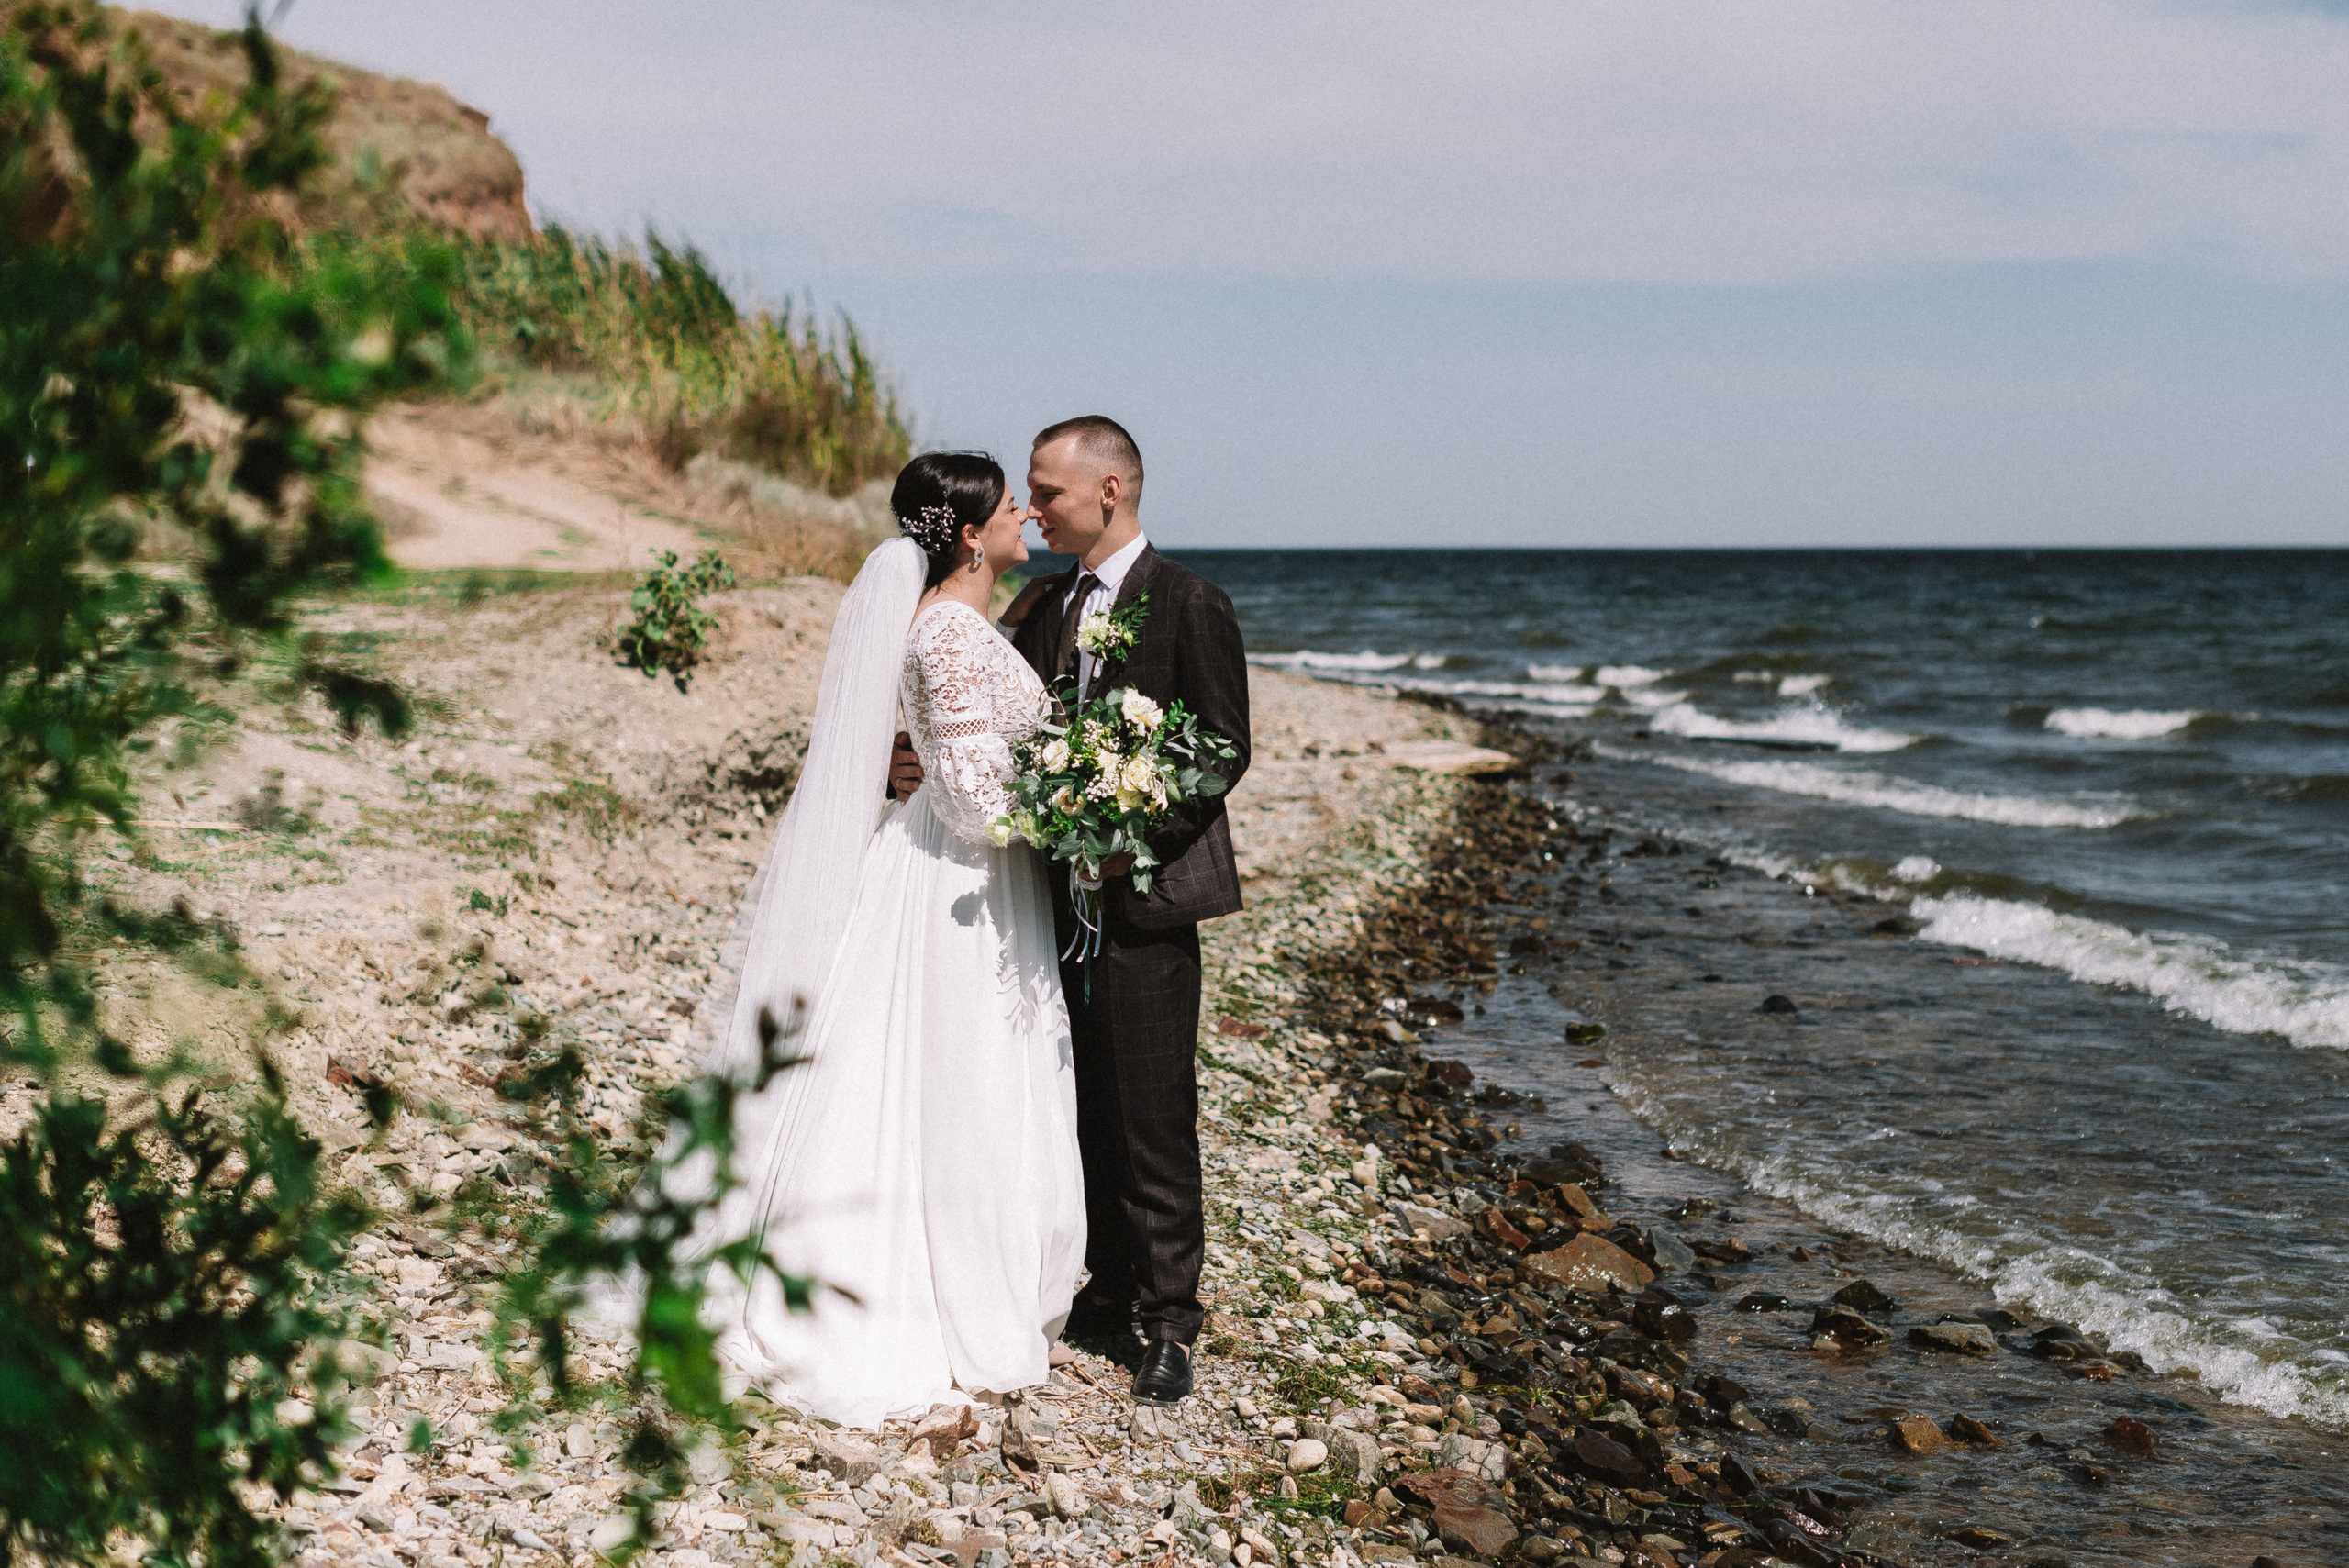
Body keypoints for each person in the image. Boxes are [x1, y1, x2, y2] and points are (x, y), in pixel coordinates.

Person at [685, 451, 1085, 1429]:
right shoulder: (947, 632)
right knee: (957, 1073)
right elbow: (965, 795)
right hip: (957, 882)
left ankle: (988, 1270)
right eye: (1007, 508)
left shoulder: (960, 621)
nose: (1025, 516)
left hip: (971, 875)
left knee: (966, 1069)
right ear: (965, 534)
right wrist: (1078, 804)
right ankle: (941, 1292)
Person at [891, 417, 1250, 1404]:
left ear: (1111, 489)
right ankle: (1105, 1283)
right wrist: (903, 762)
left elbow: (1218, 750)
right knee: (1072, 1092)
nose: (1033, 506)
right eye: (1029, 494)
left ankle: (1169, 1320)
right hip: (1040, 903)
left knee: (1152, 1110)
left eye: (1047, 490)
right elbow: (978, 707)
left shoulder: (1189, 602)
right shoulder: (1042, 601)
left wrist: (1120, 824)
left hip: (1142, 901)